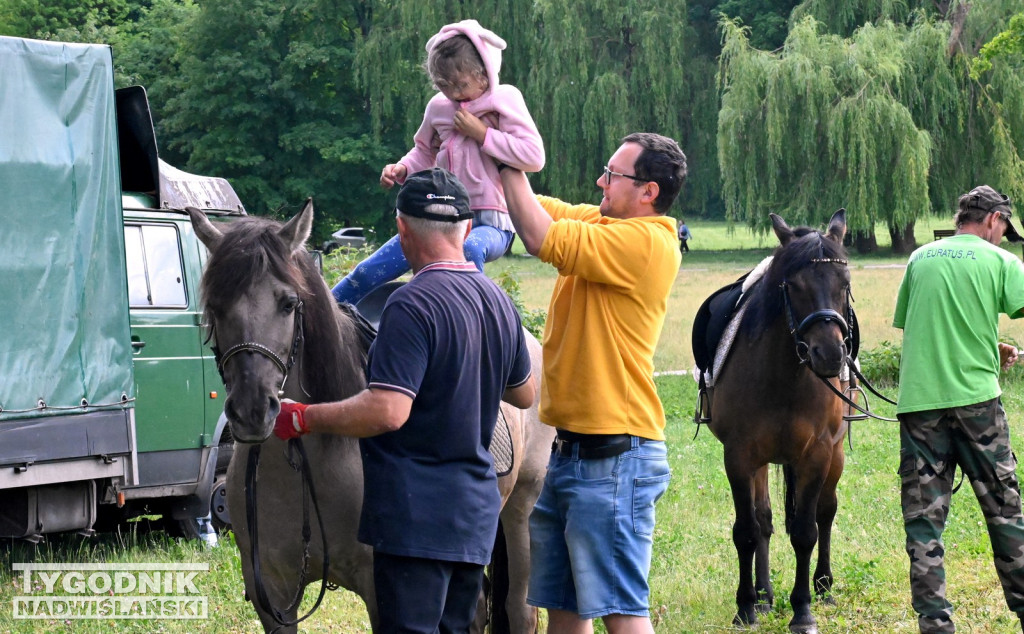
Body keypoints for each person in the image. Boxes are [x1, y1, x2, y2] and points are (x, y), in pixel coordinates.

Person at [276, 168, 537, 633]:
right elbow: (523, 391)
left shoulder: (410, 304)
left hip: (417, 520)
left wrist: (302, 418)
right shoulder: (497, 300)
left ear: (401, 230)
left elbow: (387, 410)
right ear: (468, 230)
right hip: (474, 513)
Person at [498, 132, 687, 633]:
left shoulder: (647, 243)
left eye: (613, 174)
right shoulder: (604, 222)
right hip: (569, 456)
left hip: (615, 461)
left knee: (622, 615)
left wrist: (503, 147)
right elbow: (532, 207)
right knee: (565, 610)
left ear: (649, 191)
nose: (600, 180)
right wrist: (469, 161)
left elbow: (540, 237)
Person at [331, 19, 545, 305]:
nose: (454, 93)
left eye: (461, 84)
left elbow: (533, 156)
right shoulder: (438, 107)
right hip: (438, 221)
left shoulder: (505, 99)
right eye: (444, 86)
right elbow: (423, 151)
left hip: (493, 224)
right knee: (368, 271)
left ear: (484, 73)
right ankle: (315, 318)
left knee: (468, 251)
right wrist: (403, 168)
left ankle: (472, 321)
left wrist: (482, 134)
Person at [893, 184, 1024, 634]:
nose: (1005, 236)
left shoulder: (919, 258)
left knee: (923, 523)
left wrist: (992, 345)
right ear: (993, 219)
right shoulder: (1001, 261)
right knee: (1005, 510)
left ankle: (935, 625)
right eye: (1005, 227)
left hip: (919, 406)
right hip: (977, 405)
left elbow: (924, 323)